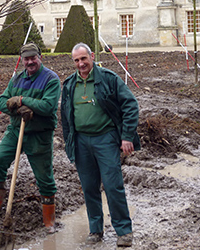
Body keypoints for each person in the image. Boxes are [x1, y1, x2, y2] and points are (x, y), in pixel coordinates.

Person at [61, 43, 140, 248]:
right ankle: (95, 230)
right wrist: (70, 143)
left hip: (105, 139)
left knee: (113, 185)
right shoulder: (70, 85)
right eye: (76, 60)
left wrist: (127, 136)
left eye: (83, 59)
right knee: (89, 188)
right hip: (81, 142)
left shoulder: (108, 79)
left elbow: (130, 105)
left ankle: (123, 231)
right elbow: (66, 117)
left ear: (92, 56)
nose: (81, 64)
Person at [0, 42, 60, 233]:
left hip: (39, 135)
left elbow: (48, 107)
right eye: (26, 58)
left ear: (40, 57)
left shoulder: (51, 79)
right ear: (22, 60)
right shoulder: (16, 79)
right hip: (15, 131)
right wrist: (17, 107)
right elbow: (1, 102)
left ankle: (49, 221)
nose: (30, 61)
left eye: (33, 57)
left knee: (44, 177)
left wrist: (23, 101)